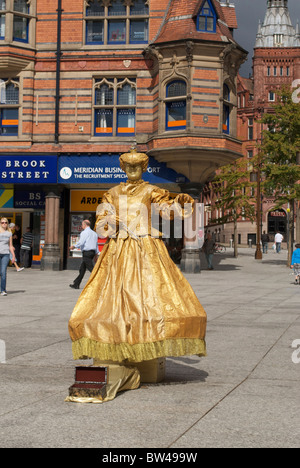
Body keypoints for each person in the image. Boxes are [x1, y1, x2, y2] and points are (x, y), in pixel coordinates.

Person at [68, 149, 207, 387]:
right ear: (123, 168)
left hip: (145, 247)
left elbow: (165, 209)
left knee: (150, 294)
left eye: (137, 167)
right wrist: (111, 220)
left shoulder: (151, 190)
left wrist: (179, 204)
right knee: (112, 297)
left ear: (144, 169)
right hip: (119, 249)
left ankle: (145, 343)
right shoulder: (112, 193)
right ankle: (116, 339)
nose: (133, 170)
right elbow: (101, 220)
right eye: (129, 167)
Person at [69, 219, 99, 289]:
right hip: (92, 253)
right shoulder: (94, 233)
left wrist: (74, 246)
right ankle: (76, 284)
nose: (81, 226)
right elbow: (96, 245)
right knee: (82, 269)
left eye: (82, 224)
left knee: (92, 269)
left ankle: (100, 282)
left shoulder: (84, 233)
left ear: (85, 225)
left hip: (87, 253)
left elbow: (81, 242)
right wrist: (96, 255)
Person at [0, 217, 16, 296]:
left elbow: (10, 246)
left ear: (7, 224)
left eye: (5, 223)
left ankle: (3, 290)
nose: (4, 224)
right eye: (2, 222)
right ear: (0, 223)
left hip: (5, 254)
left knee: (3, 272)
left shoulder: (9, 233)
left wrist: (13, 256)